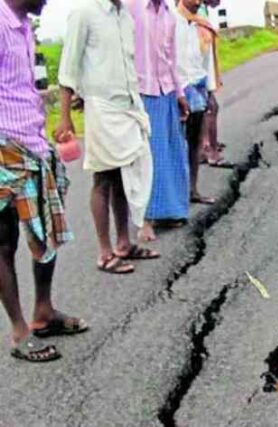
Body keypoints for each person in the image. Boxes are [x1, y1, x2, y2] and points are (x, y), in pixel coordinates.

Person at [0, 0, 88, 362]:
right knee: (3, 241)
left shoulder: (22, 26)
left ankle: (43, 311)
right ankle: (20, 331)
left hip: (33, 144)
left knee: (45, 234)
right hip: (4, 145)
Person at [57, 0, 160, 275]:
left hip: (128, 107)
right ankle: (105, 252)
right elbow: (68, 69)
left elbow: (126, 66)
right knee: (103, 177)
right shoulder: (84, 13)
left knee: (124, 175)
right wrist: (65, 117)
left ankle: (124, 243)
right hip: (102, 108)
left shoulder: (125, 16)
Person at [126, 0, 191, 242]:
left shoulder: (168, 15)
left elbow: (171, 59)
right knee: (148, 156)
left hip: (166, 90)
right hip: (142, 90)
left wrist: (180, 93)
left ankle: (173, 210)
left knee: (172, 153)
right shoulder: (132, 7)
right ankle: (146, 220)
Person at [175, 0, 218, 205]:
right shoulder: (172, 22)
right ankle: (178, 193)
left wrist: (209, 92)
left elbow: (207, 62)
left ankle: (192, 189)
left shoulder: (203, 25)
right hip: (178, 90)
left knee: (195, 144)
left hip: (198, 88)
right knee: (177, 143)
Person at [198, 0, 231, 168]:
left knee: (205, 109)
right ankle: (211, 152)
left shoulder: (200, 11)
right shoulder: (194, 14)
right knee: (210, 108)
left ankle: (205, 147)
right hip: (198, 76)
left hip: (202, 74)